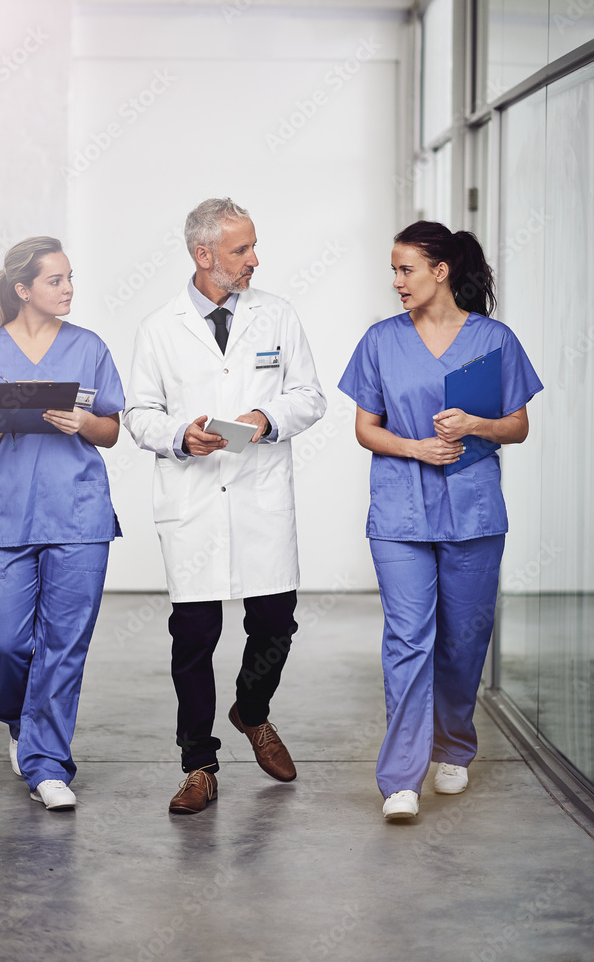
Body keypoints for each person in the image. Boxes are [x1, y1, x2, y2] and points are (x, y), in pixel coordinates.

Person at [123, 198, 326, 813]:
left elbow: (310, 397)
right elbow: (139, 415)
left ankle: (252, 709)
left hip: (260, 496)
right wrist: (181, 436)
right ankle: (198, 766)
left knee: (274, 622)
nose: (254, 260)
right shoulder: (160, 328)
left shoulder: (278, 316)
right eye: (241, 250)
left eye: (253, 246)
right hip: (193, 502)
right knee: (194, 638)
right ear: (203, 255)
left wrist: (267, 417)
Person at [338, 220, 543, 822]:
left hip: (474, 509)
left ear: (440, 271)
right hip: (400, 509)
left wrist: (475, 426)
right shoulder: (380, 341)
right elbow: (364, 428)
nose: (397, 281)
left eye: (406, 269)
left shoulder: (494, 340)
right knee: (407, 639)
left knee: (462, 639)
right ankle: (400, 777)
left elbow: (518, 425)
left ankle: (453, 747)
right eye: (395, 271)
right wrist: (416, 448)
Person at [0, 237, 124, 811]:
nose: (68, 289)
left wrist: (83, 422)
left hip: (79, 512)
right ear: (23, 290)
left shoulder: (89, 346)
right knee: (6, 637)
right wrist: (2, 420)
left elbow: (112, 430)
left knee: (64, 645)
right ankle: (20, 717)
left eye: (71, 279)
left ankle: (47, 765)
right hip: (7, 515)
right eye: (55, 281)